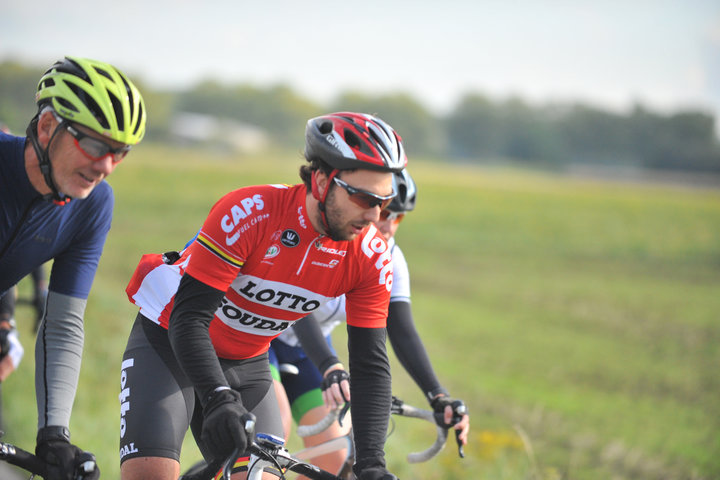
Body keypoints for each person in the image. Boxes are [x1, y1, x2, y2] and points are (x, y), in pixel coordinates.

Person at [120, 112, 406, 480]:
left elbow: (370, 366)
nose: (374, 214)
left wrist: (371, 465)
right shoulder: (250, 213)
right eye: (363, 197)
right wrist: (218, 396)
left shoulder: (372, 256)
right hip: (169, 342)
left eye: (384, 201)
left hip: (247, 361)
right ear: (321, 180)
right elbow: (189, 320)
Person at [0, 55, 147, 480]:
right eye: (96, 146)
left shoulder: (93, 206)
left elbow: (63, 324)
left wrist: (54, 435)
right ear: (47, 128)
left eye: (120, 153)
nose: (106, 167)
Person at [268, 169, 470, 475]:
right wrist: (330, 365)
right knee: (273, 431)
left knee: (334, 459)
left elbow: (401, 331)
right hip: (263, 339)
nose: (387, 225)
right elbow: (296, 308)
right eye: (385, 212)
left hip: (306, 351)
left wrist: (438, 395)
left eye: (398, 218)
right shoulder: (329, 241)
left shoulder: (388, 259)